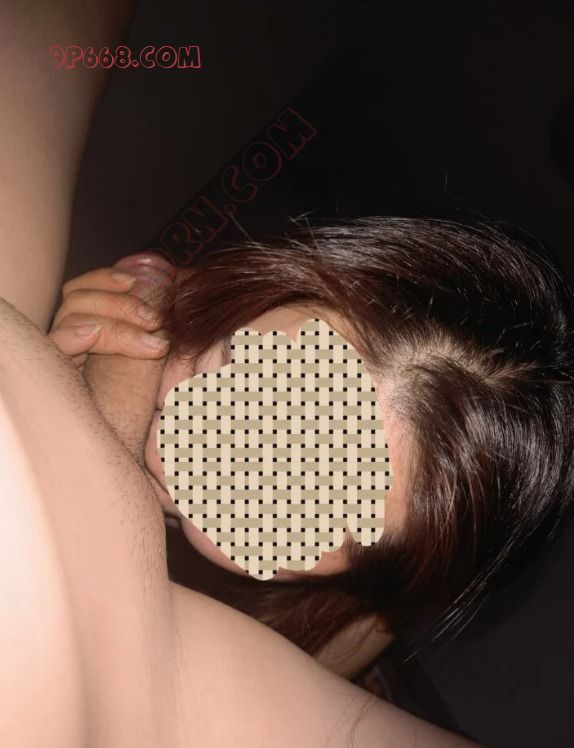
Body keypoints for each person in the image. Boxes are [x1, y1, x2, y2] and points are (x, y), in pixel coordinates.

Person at [0, 1, 486, 745]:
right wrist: (61, 394)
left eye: (305, 500)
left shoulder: (314, 652)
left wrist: (90, 433)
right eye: (238, 372)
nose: (184, 459)